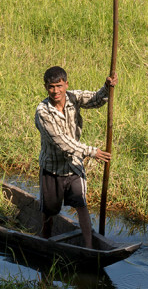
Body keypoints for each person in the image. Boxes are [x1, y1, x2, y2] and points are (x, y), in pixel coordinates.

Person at [34, 65, 115, 249]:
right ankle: (45, 243)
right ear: (46, 87)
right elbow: (62, 142)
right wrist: (92, 151)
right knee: (49, 212)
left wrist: (107, 86)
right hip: (52, 168)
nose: (56, 91)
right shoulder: (43, 112)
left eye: (59, 86)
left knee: (81, 204)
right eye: (51, 87)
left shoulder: (73, 97)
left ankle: (88, 247)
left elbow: (96, 99)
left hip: (73, 166)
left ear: (66, 84)